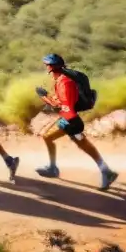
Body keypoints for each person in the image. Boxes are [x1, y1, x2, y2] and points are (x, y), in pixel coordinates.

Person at [35, 54, 119, 190]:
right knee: (50, 137)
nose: (45, 66)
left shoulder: (64, 82)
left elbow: (64, 106)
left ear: (50, 67)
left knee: (81, 144)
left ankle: (106, 172)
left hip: (70, 121)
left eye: (46, 64)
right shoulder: (61, 78)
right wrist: (48, 98)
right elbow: (60, 101)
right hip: (69, 118)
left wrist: (44, 97)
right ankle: (53, 167)